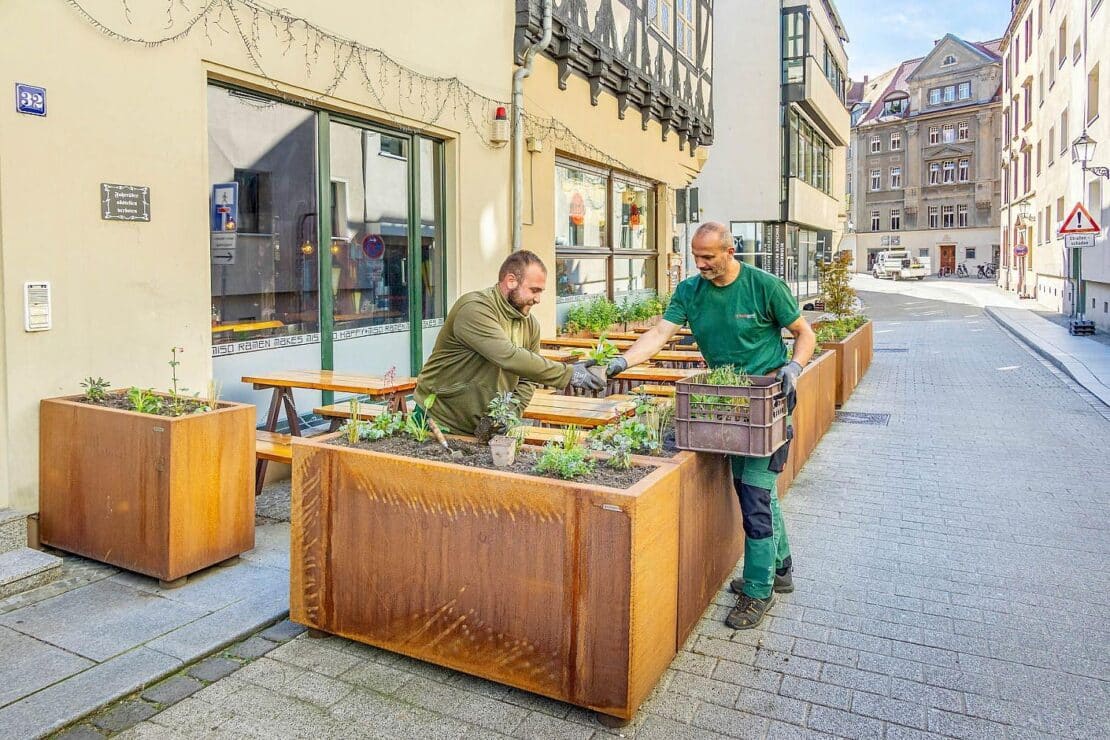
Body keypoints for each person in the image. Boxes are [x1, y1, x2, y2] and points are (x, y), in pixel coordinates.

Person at [606, 222, 816, 629]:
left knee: (754, 493)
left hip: (767, 401)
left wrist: (795, 366)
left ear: (728, 250)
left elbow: (803, 333)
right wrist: (620, 363)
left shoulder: (764, 286)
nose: (699, 264)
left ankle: (758, 590)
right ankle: (782, 568)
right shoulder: (690, 292)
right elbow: (660, 334)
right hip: (725, 400)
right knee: (754, 486)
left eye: (707, 257)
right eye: (695, 256)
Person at [414, 250, 605, 435]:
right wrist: (569, 374)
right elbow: (508, 356)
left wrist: (508, 414)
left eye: (541, 291)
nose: (538, 299)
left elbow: (527, 379)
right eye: (534, 290)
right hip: (436, 420)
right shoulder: (474, 309)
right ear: (511, 281)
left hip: (482, 431)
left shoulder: (530, 325)